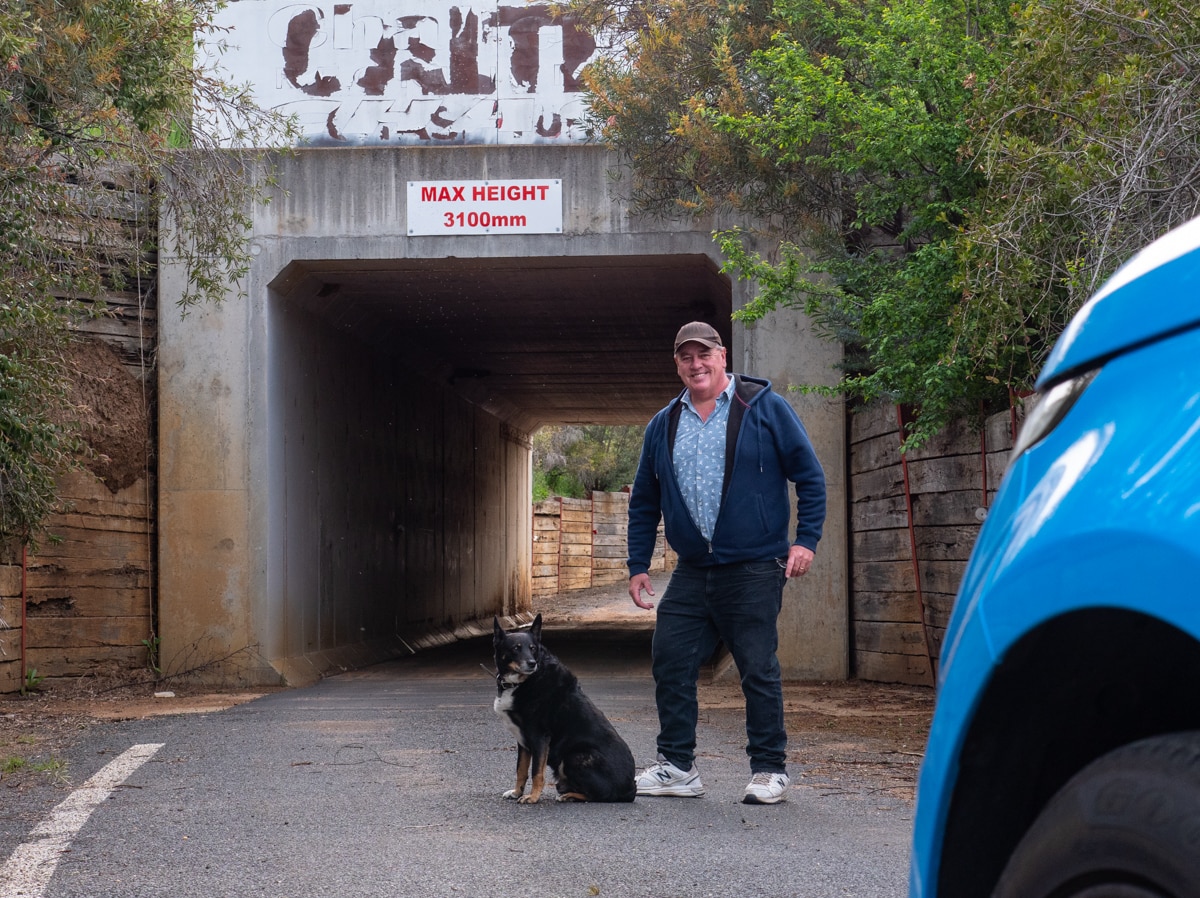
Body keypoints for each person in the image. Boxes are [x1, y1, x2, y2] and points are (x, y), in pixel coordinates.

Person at [627, 321, 827, 805]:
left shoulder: (764, 408)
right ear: (677, 364)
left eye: (704, 355)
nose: (695, 365)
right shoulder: (664, 423)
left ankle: (769, 769)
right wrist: (637, 564)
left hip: (756, 563)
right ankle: (677, 767)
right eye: (685, 358)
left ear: (722, 355)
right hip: (694, 568)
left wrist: (805, 541)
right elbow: (644, 500)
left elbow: (810, 477)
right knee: (671, 657)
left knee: (756, 666)